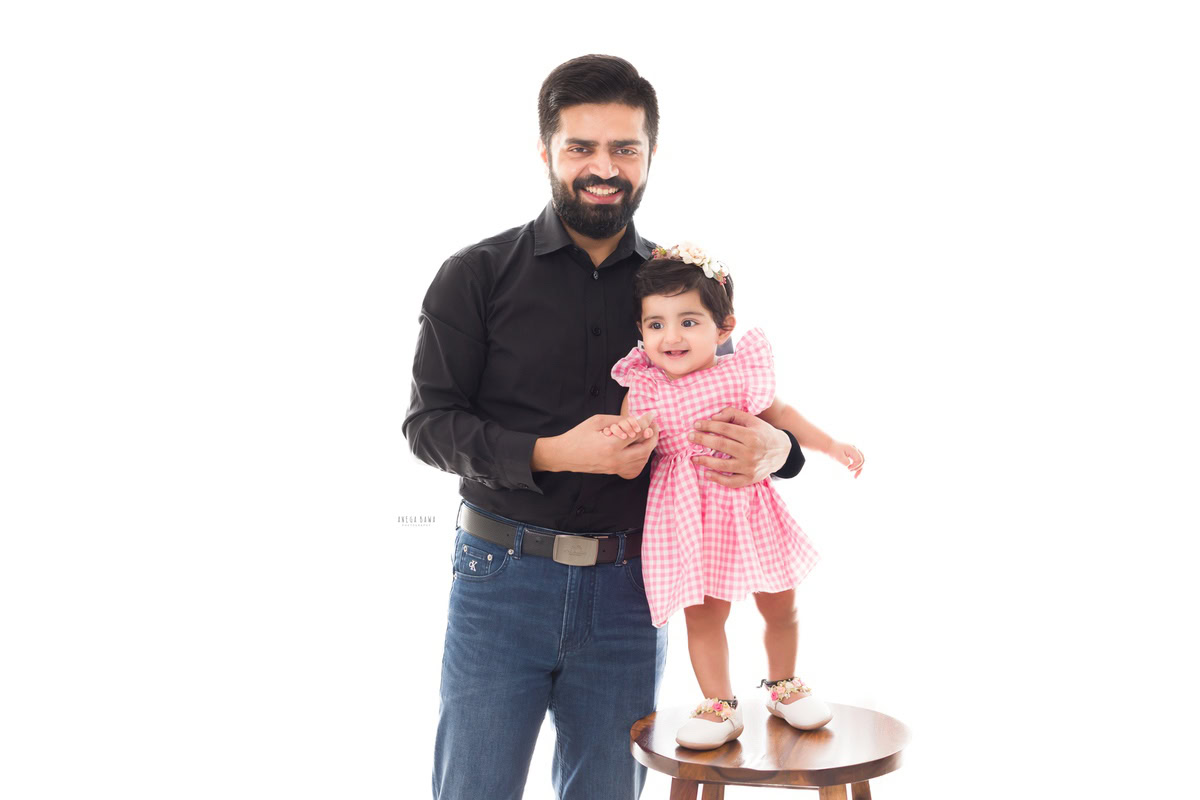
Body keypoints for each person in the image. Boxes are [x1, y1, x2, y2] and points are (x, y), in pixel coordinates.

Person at [403, 55, 807, 800]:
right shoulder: (476, 275)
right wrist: (558, 453)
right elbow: (429, 425)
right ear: (546, 151)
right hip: (502, 582)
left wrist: (778, 451)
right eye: (580, 147)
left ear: (651, 154)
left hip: (631, 590)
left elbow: (754, 404)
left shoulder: (679, 291)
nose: (603, 167)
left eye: (625, 148)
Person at [604, 245, 865, 750]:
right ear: (641, 332)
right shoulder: (645, 386)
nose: (671, 336)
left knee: (780, 603)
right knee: (703, 614)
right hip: (687, 517)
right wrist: (627, 433)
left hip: (748, 509)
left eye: (688, 321)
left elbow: (783, 417)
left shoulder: (740, 372)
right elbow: (629, 429)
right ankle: (719, 704)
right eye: (654, 324)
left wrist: (831, 446)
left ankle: (784, 684)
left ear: (723, 328)